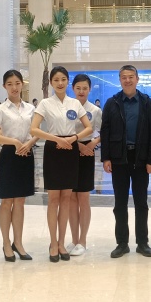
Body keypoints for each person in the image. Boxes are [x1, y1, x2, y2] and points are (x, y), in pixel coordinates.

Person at [31, 66, 92, 262]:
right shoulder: (45, 103)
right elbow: (34, 129)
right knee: (53, 199)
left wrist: (73, 138)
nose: (60, 83)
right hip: (53, 149)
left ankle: (62, 242)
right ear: (51, 82)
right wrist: (56, 139)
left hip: (70, 150)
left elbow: (88, 128)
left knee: (66, 198)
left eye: (63, 79)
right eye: (56, 80)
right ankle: (53, 243)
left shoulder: (74, 103)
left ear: (67, 82)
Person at [101, 65, 151, 258]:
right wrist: (106, 157)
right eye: (124, 77)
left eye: (131, 77)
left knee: (141, 202)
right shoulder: (112, 103)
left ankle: (142, 243)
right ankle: (122, 243)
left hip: (141, 158)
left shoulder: (146, 102)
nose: (127, 80)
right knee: (120, 203)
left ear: (137, 79)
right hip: (119, 158)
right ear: (120, 80)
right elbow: (105, 131)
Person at [0, 70, 37, 262]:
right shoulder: (0, 110)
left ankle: (18, 242)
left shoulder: (30, 109)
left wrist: (29, 143)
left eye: (17, 83)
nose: (14, 87)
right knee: (7, 201)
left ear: (22, 84)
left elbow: (36, 132)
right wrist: (14, 142)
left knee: (20, 201)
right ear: (4, 86)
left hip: (26, 153)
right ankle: (6, 243)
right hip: (9, 154)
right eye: (10, 84)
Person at [68, 73, 102, 256]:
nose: (81, 91)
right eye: (78, 88)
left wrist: (91, 144)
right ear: (73, 89)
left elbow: (102, 132)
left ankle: (83, 240)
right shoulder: (67, 107)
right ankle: (74, 239)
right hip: (69, 151)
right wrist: (78, 145)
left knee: (83, 198)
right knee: (71, 199)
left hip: (87, 153)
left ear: (89, 89)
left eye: (85, 88)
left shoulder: (95, 110)